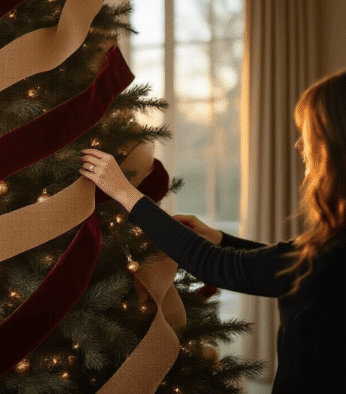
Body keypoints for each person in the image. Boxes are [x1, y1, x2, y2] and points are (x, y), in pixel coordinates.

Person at [79, 69, 346, 394]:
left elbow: (216, 265)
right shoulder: (330, 251)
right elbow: (292, 263)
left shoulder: (334, 254)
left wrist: (124, 192)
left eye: (309, 133)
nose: (299, 144)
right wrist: (219, 237)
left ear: (336, 143)